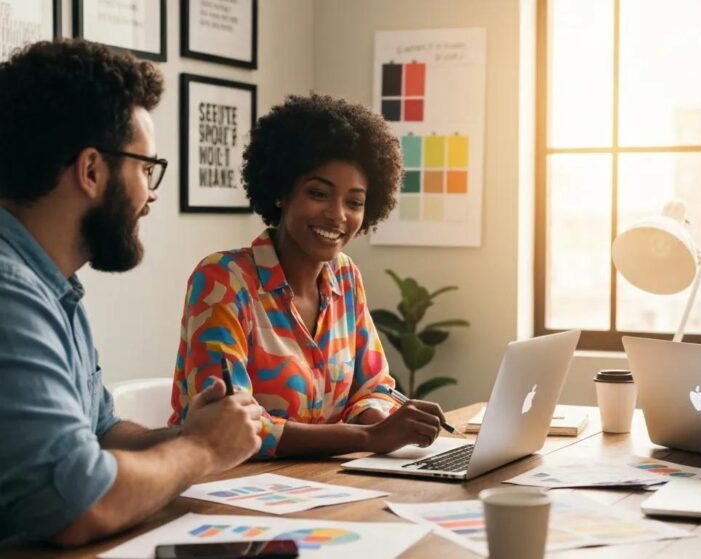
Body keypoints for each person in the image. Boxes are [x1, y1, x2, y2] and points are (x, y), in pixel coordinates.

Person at [0, 40, 261, 546]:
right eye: (146, 168)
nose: (152, 192)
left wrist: (193, 431)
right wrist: (204, 449)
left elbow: (101, 433)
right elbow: (81, 504)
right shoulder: (11, 293)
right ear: (92, 171)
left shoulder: (52, 287)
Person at [169, 94, 447, 458]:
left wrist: (381, 422)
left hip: (323, 483)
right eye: (319, 193)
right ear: (283, 191)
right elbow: (229, 424)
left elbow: (373, 385)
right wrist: (367, 438)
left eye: (354, 202)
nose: (337, 215)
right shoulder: (222, 280)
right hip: (228, 489)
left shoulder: (345, 277)